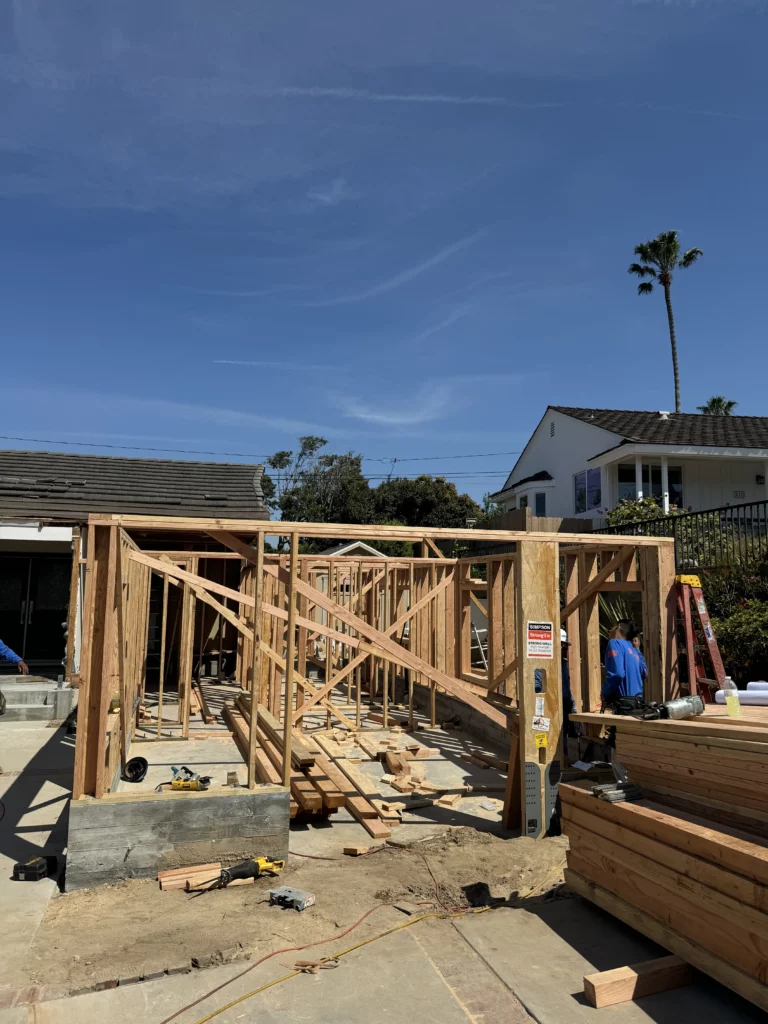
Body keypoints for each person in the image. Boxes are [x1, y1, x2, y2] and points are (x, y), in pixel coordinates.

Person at [602, 619, 644, 704]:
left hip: (624, 703)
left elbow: (617, 674)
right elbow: (644, 672)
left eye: (612, 627)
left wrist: (604, 693)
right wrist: (638, 650)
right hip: (638, 702)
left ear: (618, 626)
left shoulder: (614, 643)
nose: (610, 630)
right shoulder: (634, 648)